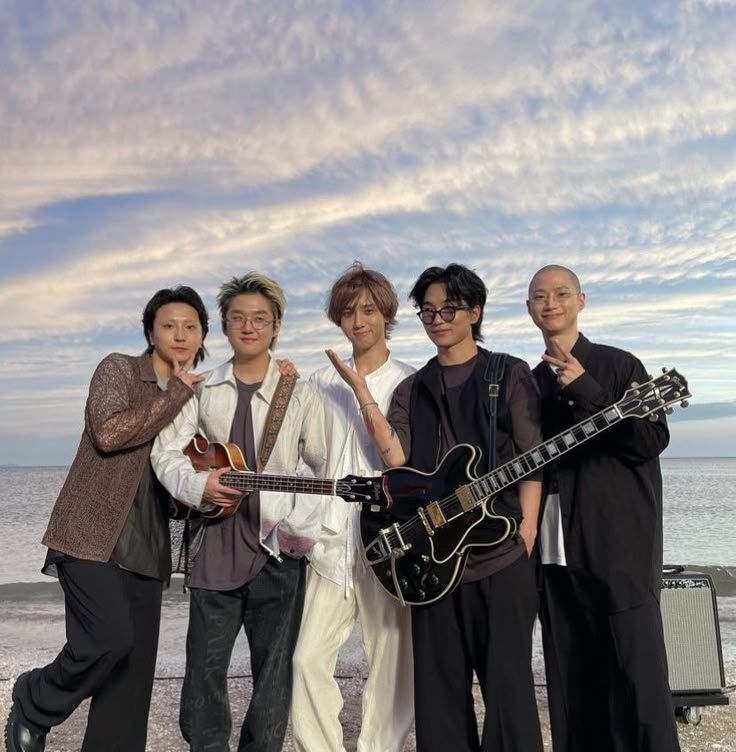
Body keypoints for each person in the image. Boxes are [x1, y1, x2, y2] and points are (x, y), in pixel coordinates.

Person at [329, 263, 544, 752]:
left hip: (500, 557)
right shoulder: (413, 388)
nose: (437, 319)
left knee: (508, 690)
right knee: (439, 696)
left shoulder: (507, 373)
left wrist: (527, 531)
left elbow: (534, 459)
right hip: (433, 562)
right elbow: (398, 460)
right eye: (427, 311)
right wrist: (364, 394)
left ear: (475, 311)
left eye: (448, 309)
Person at [4, 286, 209, 752]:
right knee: (107, 641)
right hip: (89, 538)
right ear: (150, 332)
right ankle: (35, 699)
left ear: (202, 336)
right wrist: (173, 395)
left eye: (191, 326)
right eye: (169, 325)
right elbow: (107, 432)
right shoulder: (118, 368)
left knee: (130, 683)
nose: (180, 334)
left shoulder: (194, 398)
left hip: (148, 546)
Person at [150, 272, 327, 752]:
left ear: (276, 327)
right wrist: (199, 486)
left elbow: (322, 467)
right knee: (203, 673)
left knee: (274, 675)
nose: (249, 327)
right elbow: (166, 454)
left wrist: (296, 527)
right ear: (224, 327)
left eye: (260, 319)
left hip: (278, 553)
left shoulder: (300, 393)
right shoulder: (202, 391)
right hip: (214, 548)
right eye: (238, 318)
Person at [526, 264, 680, 752]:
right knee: (570, 678)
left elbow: (649, 441)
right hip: (553, 551)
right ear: (529, 309)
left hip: (619, 547)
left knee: (638, 674)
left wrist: (589, 392)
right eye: (539, 296)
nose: (550, 303)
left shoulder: (620, 366)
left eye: (561, 293)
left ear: (581, 300)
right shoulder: (527, 383)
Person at [291, 263, 415, 752]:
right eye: (347, 313)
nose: (359, 321)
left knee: (390, 662)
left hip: (389, 541)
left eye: (368, 310)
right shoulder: (318, 381)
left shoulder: (410, 381)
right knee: (306, 659)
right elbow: (295, 453)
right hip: (330, 541)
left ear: (386, 314)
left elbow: (410, 464)